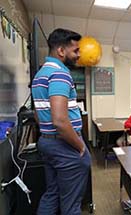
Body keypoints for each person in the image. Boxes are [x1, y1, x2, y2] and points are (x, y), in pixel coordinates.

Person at [31, 28, 91, 215]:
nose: (79, 55)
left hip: (48, 142)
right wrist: (80, 147)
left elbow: (37, 113)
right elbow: (59, 120)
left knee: (52, 194)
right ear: (61, 51)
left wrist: (49, 135)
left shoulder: (40, 73)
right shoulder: (60, 74)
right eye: (75, 51)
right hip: (65, 144)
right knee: (71, 204)